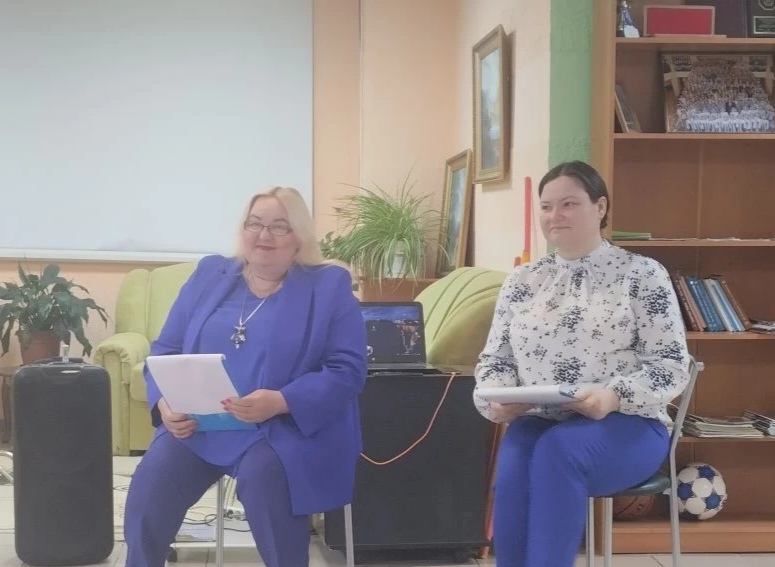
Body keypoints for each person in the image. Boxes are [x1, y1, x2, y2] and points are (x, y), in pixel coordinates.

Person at [123, 186, 367, 567]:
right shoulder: (209, 274)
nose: (264, 235)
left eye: (279, 226)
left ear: (299, 236)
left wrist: (280, 401)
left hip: (279, 429)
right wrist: (164, 402)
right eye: (254, 224)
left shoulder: (328, 286)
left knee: (266, 482)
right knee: (150, 488)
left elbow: (347, 369)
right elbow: (165, 349)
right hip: (199, 426)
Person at [473, 161, 690, 567]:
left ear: (600, 207)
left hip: (629, 425)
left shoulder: (642, 275)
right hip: (541, 419)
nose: (554, 215)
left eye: (569, 204)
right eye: (546, 206)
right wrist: (496, 399)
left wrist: (612, 396)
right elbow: (495, 359)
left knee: (558, 450)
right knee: (518, 455)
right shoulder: (522, 281)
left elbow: (671, 365)